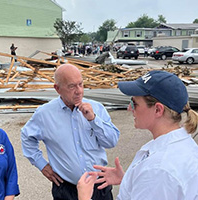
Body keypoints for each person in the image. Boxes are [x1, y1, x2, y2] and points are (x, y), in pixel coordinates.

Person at [77, 70, 198, 200]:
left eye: (134, 103)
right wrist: (129, 180)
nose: (129, 108)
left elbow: (158, 181)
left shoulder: (157, 170)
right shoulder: (180, 146)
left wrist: (84, 198)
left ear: (158, 110)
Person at [21, 64, 120, 200]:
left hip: (99, 187)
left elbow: (111, 141)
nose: (79, 91)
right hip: (66, 190)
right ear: (58, 89)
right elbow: (26, 137)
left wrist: (93, 119)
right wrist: (42, 165)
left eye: (81, 84)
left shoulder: (96, 108)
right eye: (72, 86)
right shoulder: (44, 114)